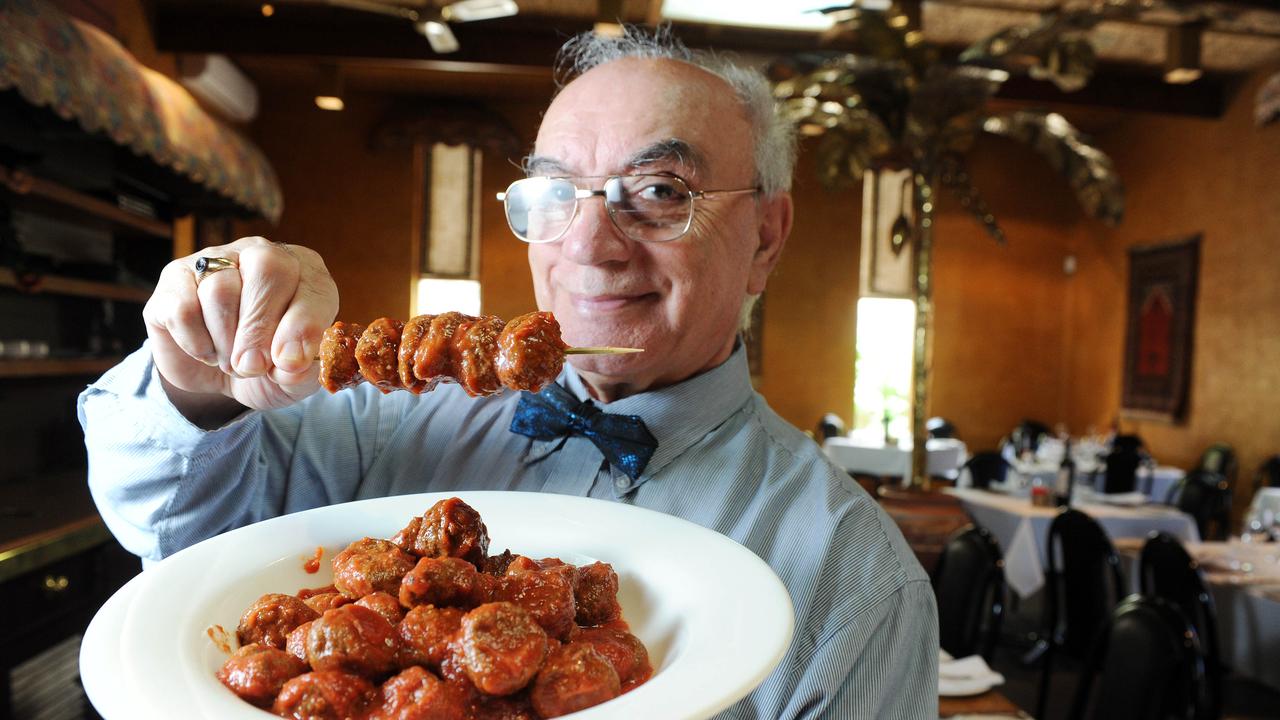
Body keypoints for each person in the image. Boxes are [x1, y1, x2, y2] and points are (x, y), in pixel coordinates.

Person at [78, 27, 938, 718]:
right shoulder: (382, 423)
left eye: (662, 190)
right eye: (557, 195)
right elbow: (175, 527)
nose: (590, 247)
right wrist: (197, 372)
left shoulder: (854, 579)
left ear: (767, 236)